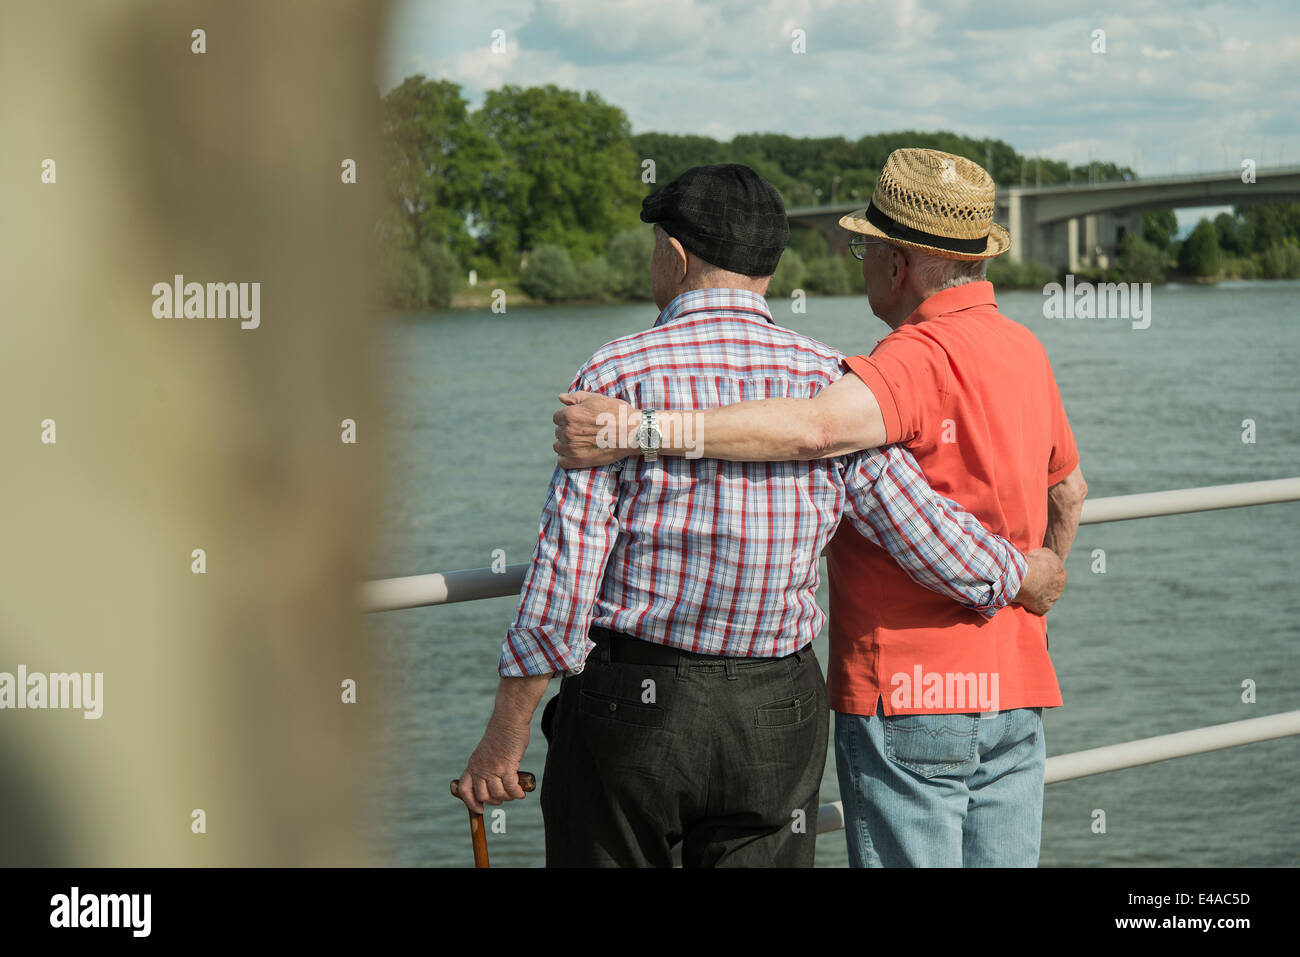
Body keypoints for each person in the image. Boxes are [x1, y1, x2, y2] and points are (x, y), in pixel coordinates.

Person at [458, 163, 1065, 868]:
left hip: (634, 703)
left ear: (675, 255)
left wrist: (505, 735)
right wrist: (1021, 573)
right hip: (775, 706)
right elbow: (920, 525)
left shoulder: (614, 379)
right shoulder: (827, 380)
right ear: (769, 268)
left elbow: (565, 581)